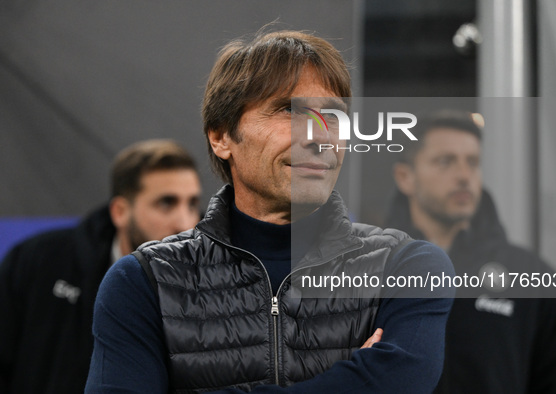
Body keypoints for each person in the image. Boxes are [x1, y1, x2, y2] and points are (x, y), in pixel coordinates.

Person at [85, 30, 454, 393]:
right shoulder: (143, 282)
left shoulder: (407, 266)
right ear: (221, 137)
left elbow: (404, 378)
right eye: (288, 111)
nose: (319, 136)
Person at [388, 109, 556, 393]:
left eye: (473, 162)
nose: (463, 175)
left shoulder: (530, 277)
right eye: (445, 161)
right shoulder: (369, 270)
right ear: (405, 176)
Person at [0, 139, 202, 394]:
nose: (184, 223)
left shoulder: (216, 279)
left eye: (192, 204)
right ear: (120, 211)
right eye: (166, 203)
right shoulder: (37, 261)